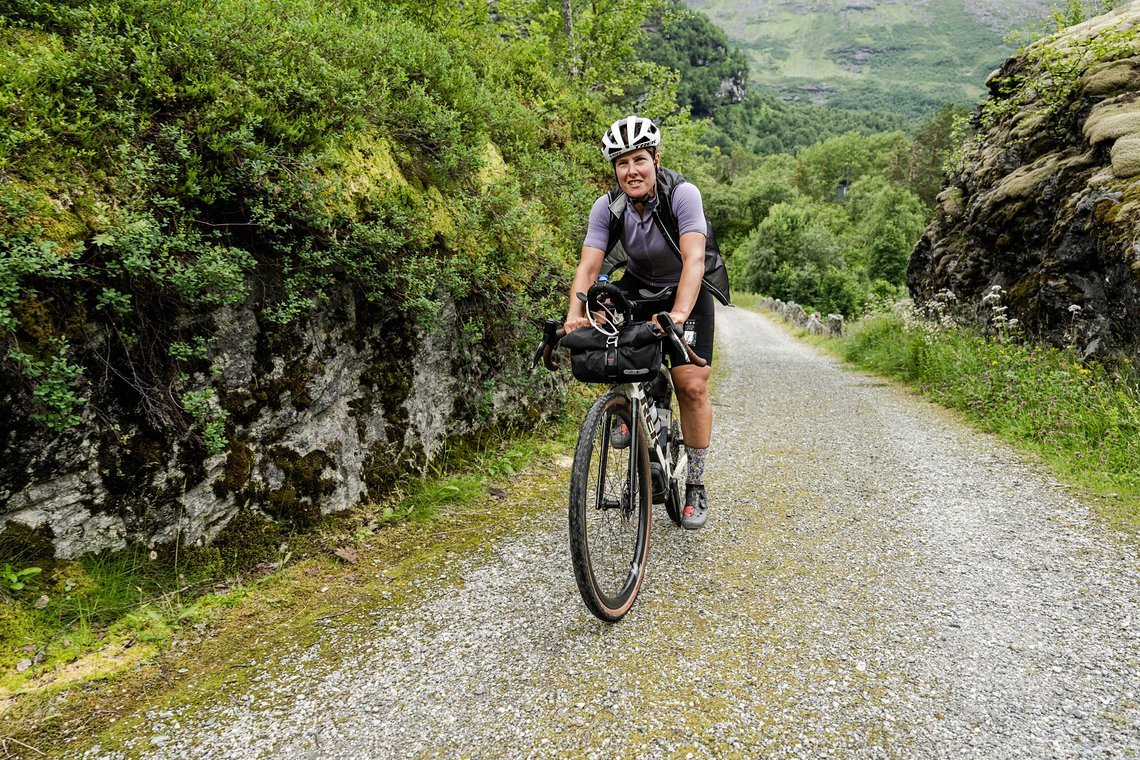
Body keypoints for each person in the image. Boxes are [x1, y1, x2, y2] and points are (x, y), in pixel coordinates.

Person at [563, 115, 715, 530]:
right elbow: (589, 265)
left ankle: (696, 483)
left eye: (639, 160)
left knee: (692, 384)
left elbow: (694, 260)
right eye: (621, 163)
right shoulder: (608, 206)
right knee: (610, 338)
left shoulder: (682, 195)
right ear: (614, 169)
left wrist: (679, 316)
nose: (631, 170)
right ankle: (635, 401)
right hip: (637, 287)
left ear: (656, 159)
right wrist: (575, 315)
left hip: (686, 288)